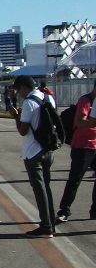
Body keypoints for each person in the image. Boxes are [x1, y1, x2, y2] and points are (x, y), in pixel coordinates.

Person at [10, 75, 57, 238]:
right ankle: (50, 222)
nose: (18, 93)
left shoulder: (29, 103)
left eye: (18, 90)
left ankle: (46, 226)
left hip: (33, 152)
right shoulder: (48, 97)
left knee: (39, 189)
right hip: (48, 149)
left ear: (24, 87)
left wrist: (16, 116)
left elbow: (23, 131)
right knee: (46, 188)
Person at [56, 77, 96, 223]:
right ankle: (64, 211)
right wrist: (93, 121)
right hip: (82, 146)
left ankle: (94, 210)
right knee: (75, 179)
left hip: (95, 144)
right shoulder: (86, 101)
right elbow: (79, 122)